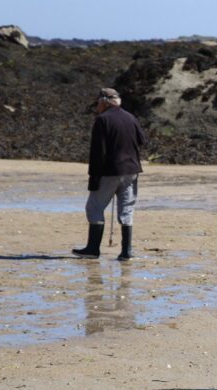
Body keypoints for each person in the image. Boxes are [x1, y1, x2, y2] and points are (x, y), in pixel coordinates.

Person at [72, 88, 147, 261]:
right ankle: (126, 252)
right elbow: (142, 140)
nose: (97, 107)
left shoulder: (102, 120)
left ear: (104, 102)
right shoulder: (131, 117)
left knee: (94, 208)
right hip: (131, 170)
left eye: (98, 103)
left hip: (110, 171)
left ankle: (92, 249)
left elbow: (98, 153)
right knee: (126, 210)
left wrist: (93, 178)